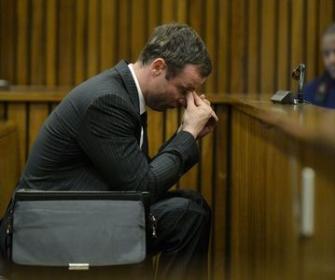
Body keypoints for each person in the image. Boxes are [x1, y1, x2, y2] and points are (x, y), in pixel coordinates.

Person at [0, 23, 217, 279]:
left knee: (193, 204)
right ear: (158, 67)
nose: (185, 99)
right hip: (46, 230)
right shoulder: (107, 100)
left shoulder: (123, 93)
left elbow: (138, 175)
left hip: (76, 216)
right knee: (187, 216)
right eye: (183, 89)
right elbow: (142, 185)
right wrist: (188, 134)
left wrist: (186, 133)